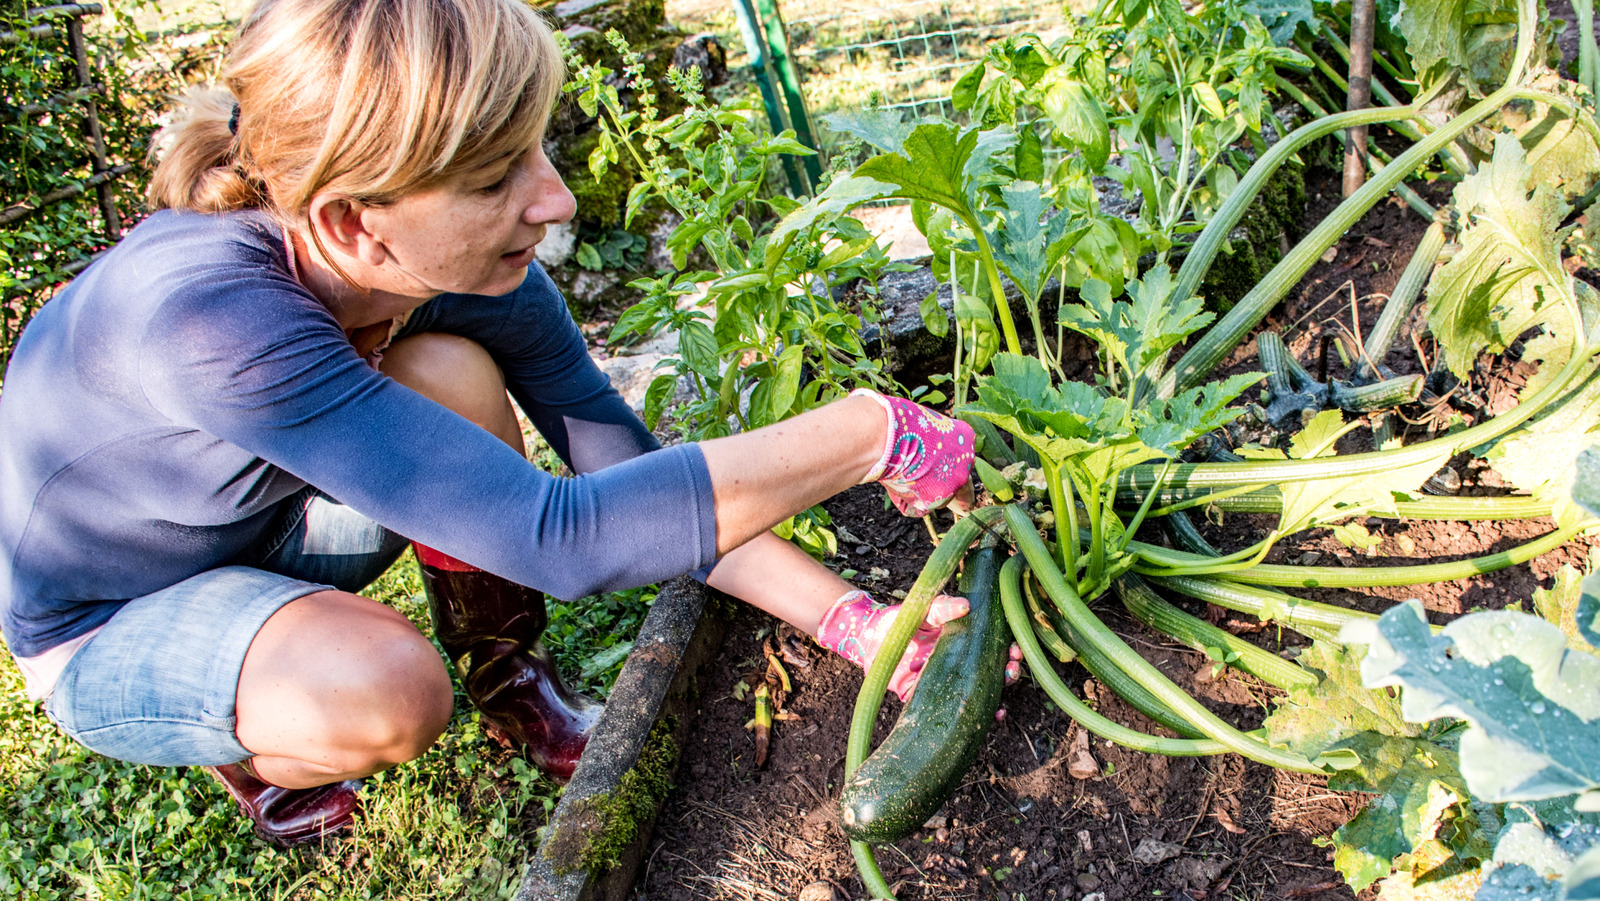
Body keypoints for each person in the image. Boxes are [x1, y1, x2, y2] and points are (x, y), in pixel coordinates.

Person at [0, 0, 1007, 846]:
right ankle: (254, 745)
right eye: (493, 180)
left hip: (272, 521)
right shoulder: (215, 323)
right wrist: (871, 431)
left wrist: (860, 624)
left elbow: (625, 476)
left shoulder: (456, 268)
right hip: (115, 617)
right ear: (354, 220)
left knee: (449, 372)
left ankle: (506, 674)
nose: (553, 199)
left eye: (535, 149)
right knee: (387, 688)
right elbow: (559, 540)